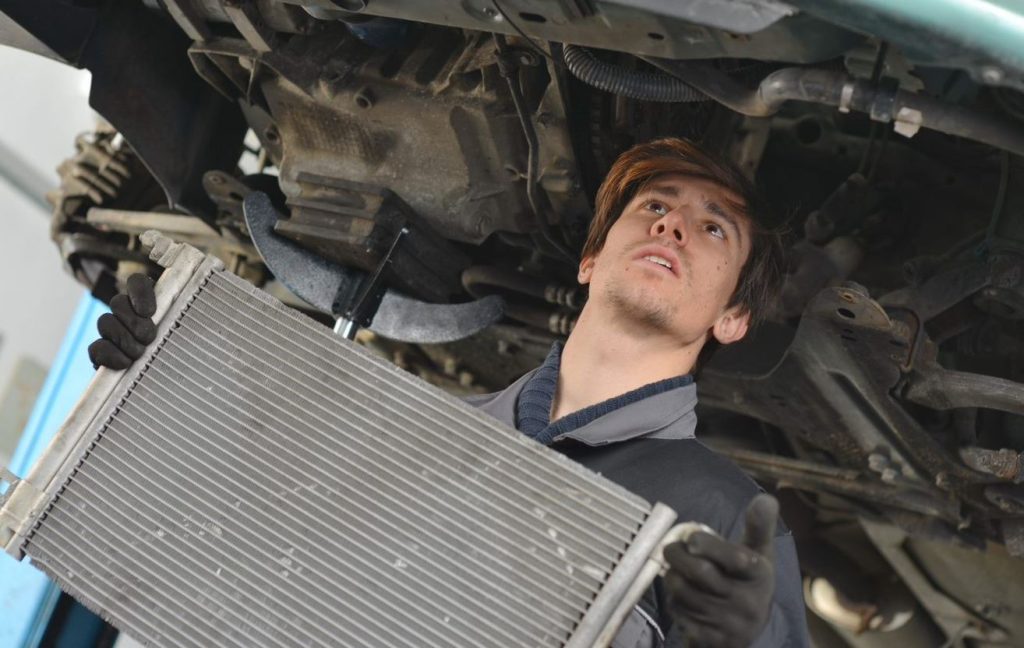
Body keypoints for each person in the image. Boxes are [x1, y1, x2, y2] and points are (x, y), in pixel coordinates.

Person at [90, 137, 808, 647]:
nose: (672, 224)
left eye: (713, 228)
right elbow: (249, 538)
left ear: (733, 318)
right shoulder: (424, 434)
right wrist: (154, 382)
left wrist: (753, 641)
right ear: (590, 261)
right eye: (654, 205)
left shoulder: (725, 517)